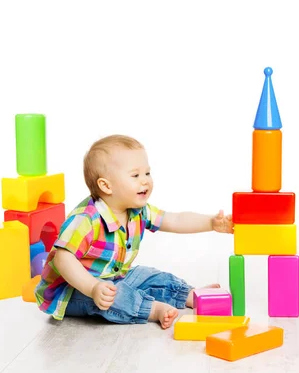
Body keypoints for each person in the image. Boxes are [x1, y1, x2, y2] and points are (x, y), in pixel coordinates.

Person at [34, 134, 234, 329]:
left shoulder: (137, 210)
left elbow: (175, 219)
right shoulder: (86, 219)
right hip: (73, 289)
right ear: (106, 185)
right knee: (117, 295)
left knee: (151, 276)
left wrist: (211, 223)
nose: (145, 181)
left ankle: (190, 295)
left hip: (115, 277)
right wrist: (93, 287)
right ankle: (152, 309)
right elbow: (63, 258)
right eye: (135, 175)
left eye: (147, 173)